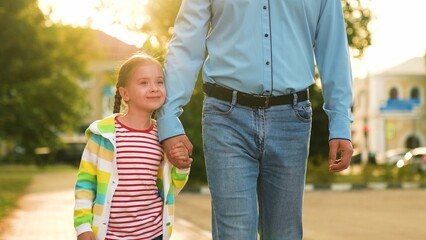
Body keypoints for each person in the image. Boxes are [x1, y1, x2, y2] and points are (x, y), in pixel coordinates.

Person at [158, 0, 354, 239]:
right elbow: (185, 45)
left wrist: (341, 123)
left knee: (284, 234)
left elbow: (333, 49)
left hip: (291, 120)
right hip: (226, 118)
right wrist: (168, 118)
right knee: (235, 234)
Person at [74, 53, 191, 240]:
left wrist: (182, 167)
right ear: (125, 93)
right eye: (144, 83)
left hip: (153, 234)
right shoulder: (102, 136)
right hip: (109, 235)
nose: (154, 88)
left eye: (159, 82)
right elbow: (85, 184)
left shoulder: (163, 137)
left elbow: (171, 188)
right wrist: (83, 226)